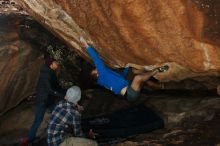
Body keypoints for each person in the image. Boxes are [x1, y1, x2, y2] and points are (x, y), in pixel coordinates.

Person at [80, 36, 169, 101]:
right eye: (95, 70)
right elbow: (97, 59)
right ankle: (157, 70)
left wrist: (126, 68)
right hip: (129, 94)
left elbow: (121, 76)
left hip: (129, 89)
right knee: (138, 78)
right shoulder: (102, 76)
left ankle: (158, 86)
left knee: (136, 72)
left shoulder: (106, 75)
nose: (96, 68)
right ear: (95, 74)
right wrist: (86, 45)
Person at [21, 58, 65, 145]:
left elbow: (57, 86)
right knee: (38, 120)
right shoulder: (45, 74)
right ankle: (30, 139)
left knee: (58, 115)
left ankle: (57, 133)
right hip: (42, 100)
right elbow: (50, 89)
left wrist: (66, 91)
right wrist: (63, 96)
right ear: (51, 64)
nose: (57, 64)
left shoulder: (51, 73)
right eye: (56, 63)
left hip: (49, 100)